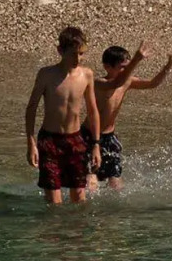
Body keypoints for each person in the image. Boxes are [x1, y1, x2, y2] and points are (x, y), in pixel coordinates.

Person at [24, 27, 112, 205]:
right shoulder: (46, 75)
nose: (77, 59)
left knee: (79, 197)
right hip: (49, 140)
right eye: (73, 54)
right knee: (54, 202)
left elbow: (93, 111)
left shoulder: (86, 75)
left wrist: (96, 145)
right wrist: (31, 143)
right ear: (60, 51)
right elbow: (31, 108)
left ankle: (76, 233)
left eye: (81, 54)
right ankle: (54, 232)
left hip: (76, 140)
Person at [89, 44, 172, 190]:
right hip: (91, 136)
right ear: (107, 67)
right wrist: (137, 59)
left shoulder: (127, 81)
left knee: (116, 185)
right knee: (91, 182)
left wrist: (169, 64)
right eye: (122, 67)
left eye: (127, 67)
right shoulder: (99, 83)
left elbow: (152, 84)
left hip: (110, 137)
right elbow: (115, 83)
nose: (126, 71)